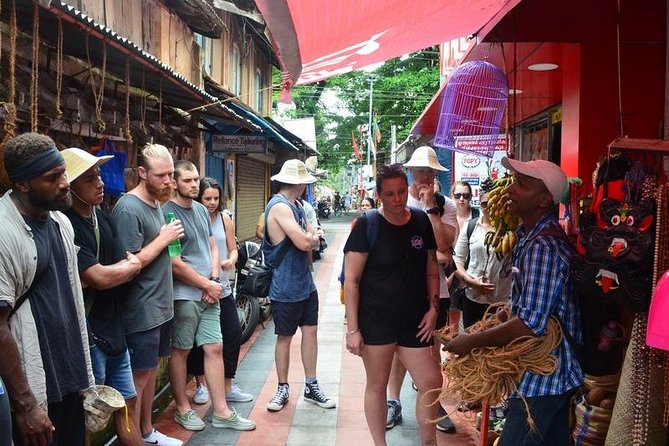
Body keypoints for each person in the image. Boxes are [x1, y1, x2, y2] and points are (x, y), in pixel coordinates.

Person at [444, 158, 583, 446]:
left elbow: (531, 324)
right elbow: (527, 306)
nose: (510, 190)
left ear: (544, 200)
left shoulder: (543, 247)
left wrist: (472, 340)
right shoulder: (527, 237)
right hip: (550, 376)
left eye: (522, 185)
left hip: (546, 376)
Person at [0, 132, 95, 446]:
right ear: (23, 184)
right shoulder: (4, 232)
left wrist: (84, 381)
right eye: (52, 178)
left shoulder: (60, 222)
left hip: (70, 379)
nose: (65, 182)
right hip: (34, 388)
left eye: (63, 172)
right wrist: (25, 404)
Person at [344, 163, 442, 446]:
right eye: (390, 194)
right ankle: (379, 443)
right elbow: (351, 281)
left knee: (431, 381)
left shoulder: (421, 221)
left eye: (401, 191)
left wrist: (434, 308)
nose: (397, 199)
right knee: (376, 385)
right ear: (379, 195)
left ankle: (429, 442)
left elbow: (432, 266)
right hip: (376, 320)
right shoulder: (367, 225)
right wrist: (353, 330)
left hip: (415, 319)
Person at [163, 162, 256, 432]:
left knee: (215, 347)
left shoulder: (202, 211)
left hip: (210, 292)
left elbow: (213, 247)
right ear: (175, 183)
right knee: (181, 351)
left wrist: (213, 281)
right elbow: (175, 262)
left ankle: (222, 411)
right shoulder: (168, 213)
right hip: (185, 295)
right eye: (188, 180)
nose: (193, 184)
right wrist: (206, 284)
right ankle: (182, 408)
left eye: (195, 180)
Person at [62, 148, 144, 445]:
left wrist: (121, 269)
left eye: (98, 175)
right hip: (89, 333)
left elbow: (127, 265)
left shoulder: (102, 217)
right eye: (89, 178)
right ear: (70, 185)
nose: (99, 183)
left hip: (114, 329)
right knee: (89, 413)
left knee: (125, 404)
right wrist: (119, 270)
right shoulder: (67, 224)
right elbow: (98, 277)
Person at [111, 143, 185, 446]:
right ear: (142, 173)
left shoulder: (157, 202)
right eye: (162, 176)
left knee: (152, 371)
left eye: (171, 174)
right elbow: (128, 264)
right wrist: (163, 239)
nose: (170, 181)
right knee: (136, 381)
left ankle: (147, 431)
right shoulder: (129, 208)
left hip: (160, 306)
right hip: (140, 309)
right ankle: (134, 439)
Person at [386, 145, 458, 432]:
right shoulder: (398, 203)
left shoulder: (446, 205)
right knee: (397, 352)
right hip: (399, 292)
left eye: (430, 170)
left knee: (432, 350)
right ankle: (394, 401)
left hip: (435, 293)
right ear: (411, 172)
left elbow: (443, 248)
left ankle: (433, 400)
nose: (424, 175)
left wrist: (430, 208)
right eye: (420, 170)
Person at [263, 159, 336, 412]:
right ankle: (282, 387)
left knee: (310, 332)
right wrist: (314, 237)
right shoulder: (280, 207)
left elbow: (308, 239)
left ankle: (311, 384)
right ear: (300, 184)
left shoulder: (296, 206)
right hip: (285, 284)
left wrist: (311, 237)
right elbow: (306, 242)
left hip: (305, 282)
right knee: (285, 337)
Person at [187, 177, 253, 406]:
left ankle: (227, 386)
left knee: (233, 335)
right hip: (197, 289)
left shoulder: (225, 219)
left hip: (222, 288)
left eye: (216, 198)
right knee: (199, 342)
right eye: (208, 198)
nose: (212, 202)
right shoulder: (194, 217)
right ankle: (201, 385)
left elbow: (233, 250)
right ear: (199, 198)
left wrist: (230, 261)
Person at [452, 187, 512, 329]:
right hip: (472, 297)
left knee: (497, 348)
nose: (489, 208)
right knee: (471, 343)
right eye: (485, 204)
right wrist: (470, 281)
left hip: (501, 301)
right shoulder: (471, 226)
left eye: (493, 203)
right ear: (479, 204)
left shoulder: (511, 230)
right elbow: (457, 260)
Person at [446, 181, 480, 335]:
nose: (461, 199)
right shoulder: (447, 216)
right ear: (451, 196)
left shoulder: (478, 217)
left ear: (471, 197)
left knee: (474, 319)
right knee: (452, 315)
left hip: (473, 272)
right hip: (451, 273)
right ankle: (453, 352)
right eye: (457, 195)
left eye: (465, 196)